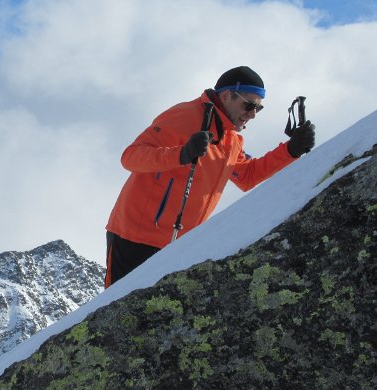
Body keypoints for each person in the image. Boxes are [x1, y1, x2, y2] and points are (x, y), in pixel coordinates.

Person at [104, 65, 315, 287]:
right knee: (111, 313)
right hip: (134, 237)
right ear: (227, 95)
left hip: (180, 246)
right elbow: (131, 157)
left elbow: (246, 176)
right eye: (249, 105)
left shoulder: (231, 139)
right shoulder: (184, 116)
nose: (252, 114)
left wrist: (291, 150)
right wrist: (182, 154)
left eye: (258, 109)